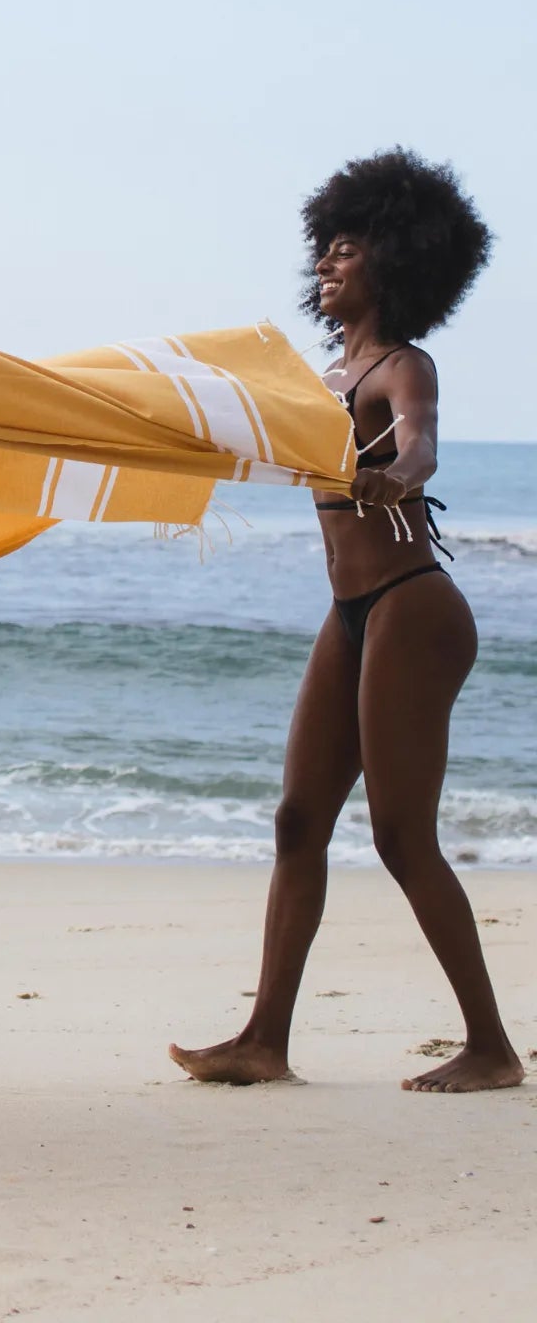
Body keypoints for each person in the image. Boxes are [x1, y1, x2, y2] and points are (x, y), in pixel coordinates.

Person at [171, 150, 521, 1093]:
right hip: (352, 610)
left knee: (402, 836)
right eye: (321, 252)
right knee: (297, 821)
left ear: (394, 263)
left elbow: (420, 446)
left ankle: (490, 1047)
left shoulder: (404, 367)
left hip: (416, 608)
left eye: (346, 249)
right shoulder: (320, 378)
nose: (325, 264)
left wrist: (394, 476)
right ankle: (263, 1040)